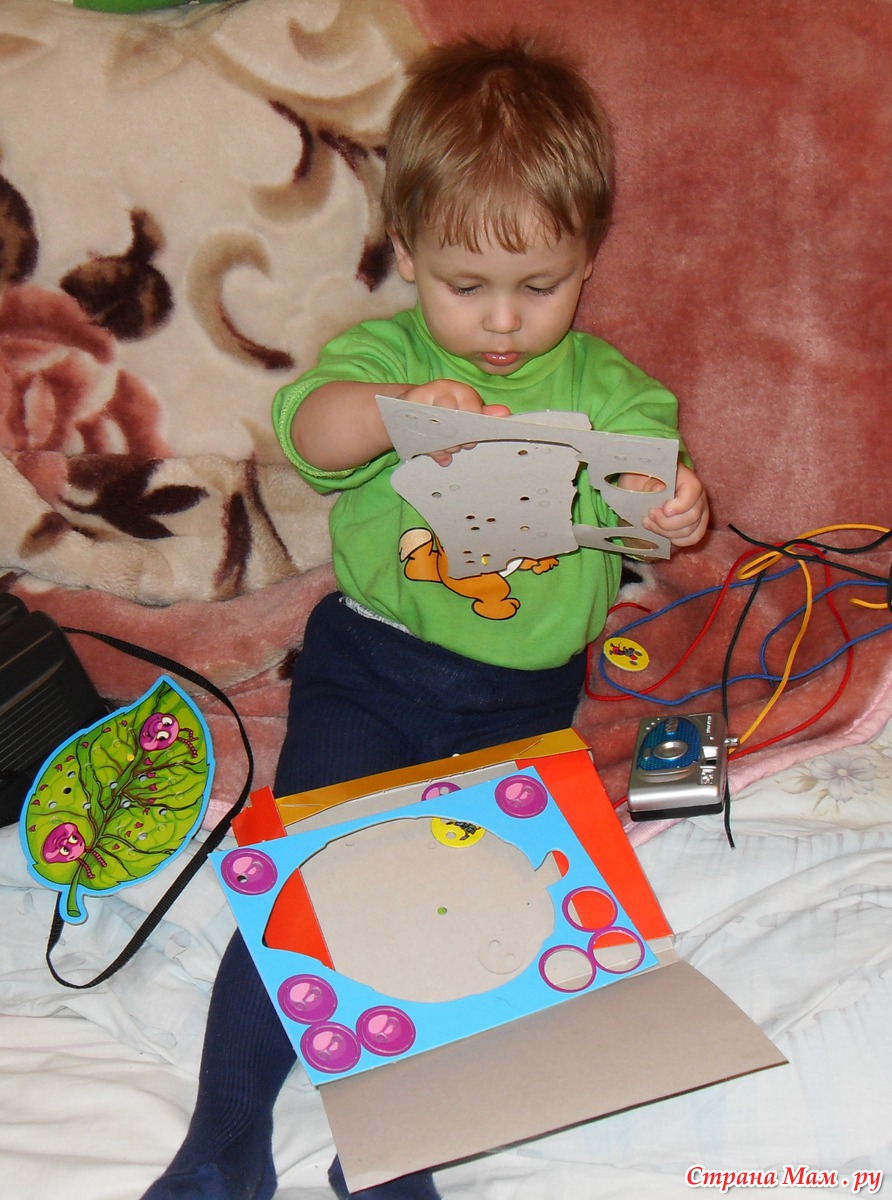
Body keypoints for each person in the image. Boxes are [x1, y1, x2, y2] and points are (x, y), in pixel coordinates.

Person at [142, 34, 708, 1200]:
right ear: (405, 252)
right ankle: (223, 1137)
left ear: (589, 256)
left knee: (481, 922)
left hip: (522, 703)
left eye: (539, 287)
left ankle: (393, 1155)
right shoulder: (384, 355)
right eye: (465, 285)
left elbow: (651, 494)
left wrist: (672, 502)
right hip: (374, 672)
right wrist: (398, 403)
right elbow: (312, 433)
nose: (501, 323)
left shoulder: (607, 386)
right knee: (310, 883)